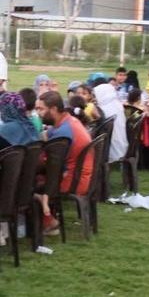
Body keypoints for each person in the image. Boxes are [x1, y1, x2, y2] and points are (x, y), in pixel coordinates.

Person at [36, 91, 93, 233]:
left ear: (54, 109)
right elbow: (45, 135)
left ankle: (48, 223)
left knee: (29, 182)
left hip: (74, 180)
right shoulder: (69, 120)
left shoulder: (63, 132)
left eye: (41, 109)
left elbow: (54, 167)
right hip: (83, 175)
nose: (38, 113)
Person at [0, 92, 39, 157]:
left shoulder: (8, 128)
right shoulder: (29, 125)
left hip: (8, 165)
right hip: (26, 164)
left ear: (4, 109)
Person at [93, 83, 128, 164]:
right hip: (121, 144)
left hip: (107, 144)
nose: (95, 98)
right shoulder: (117, 105)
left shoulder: (105, 109)